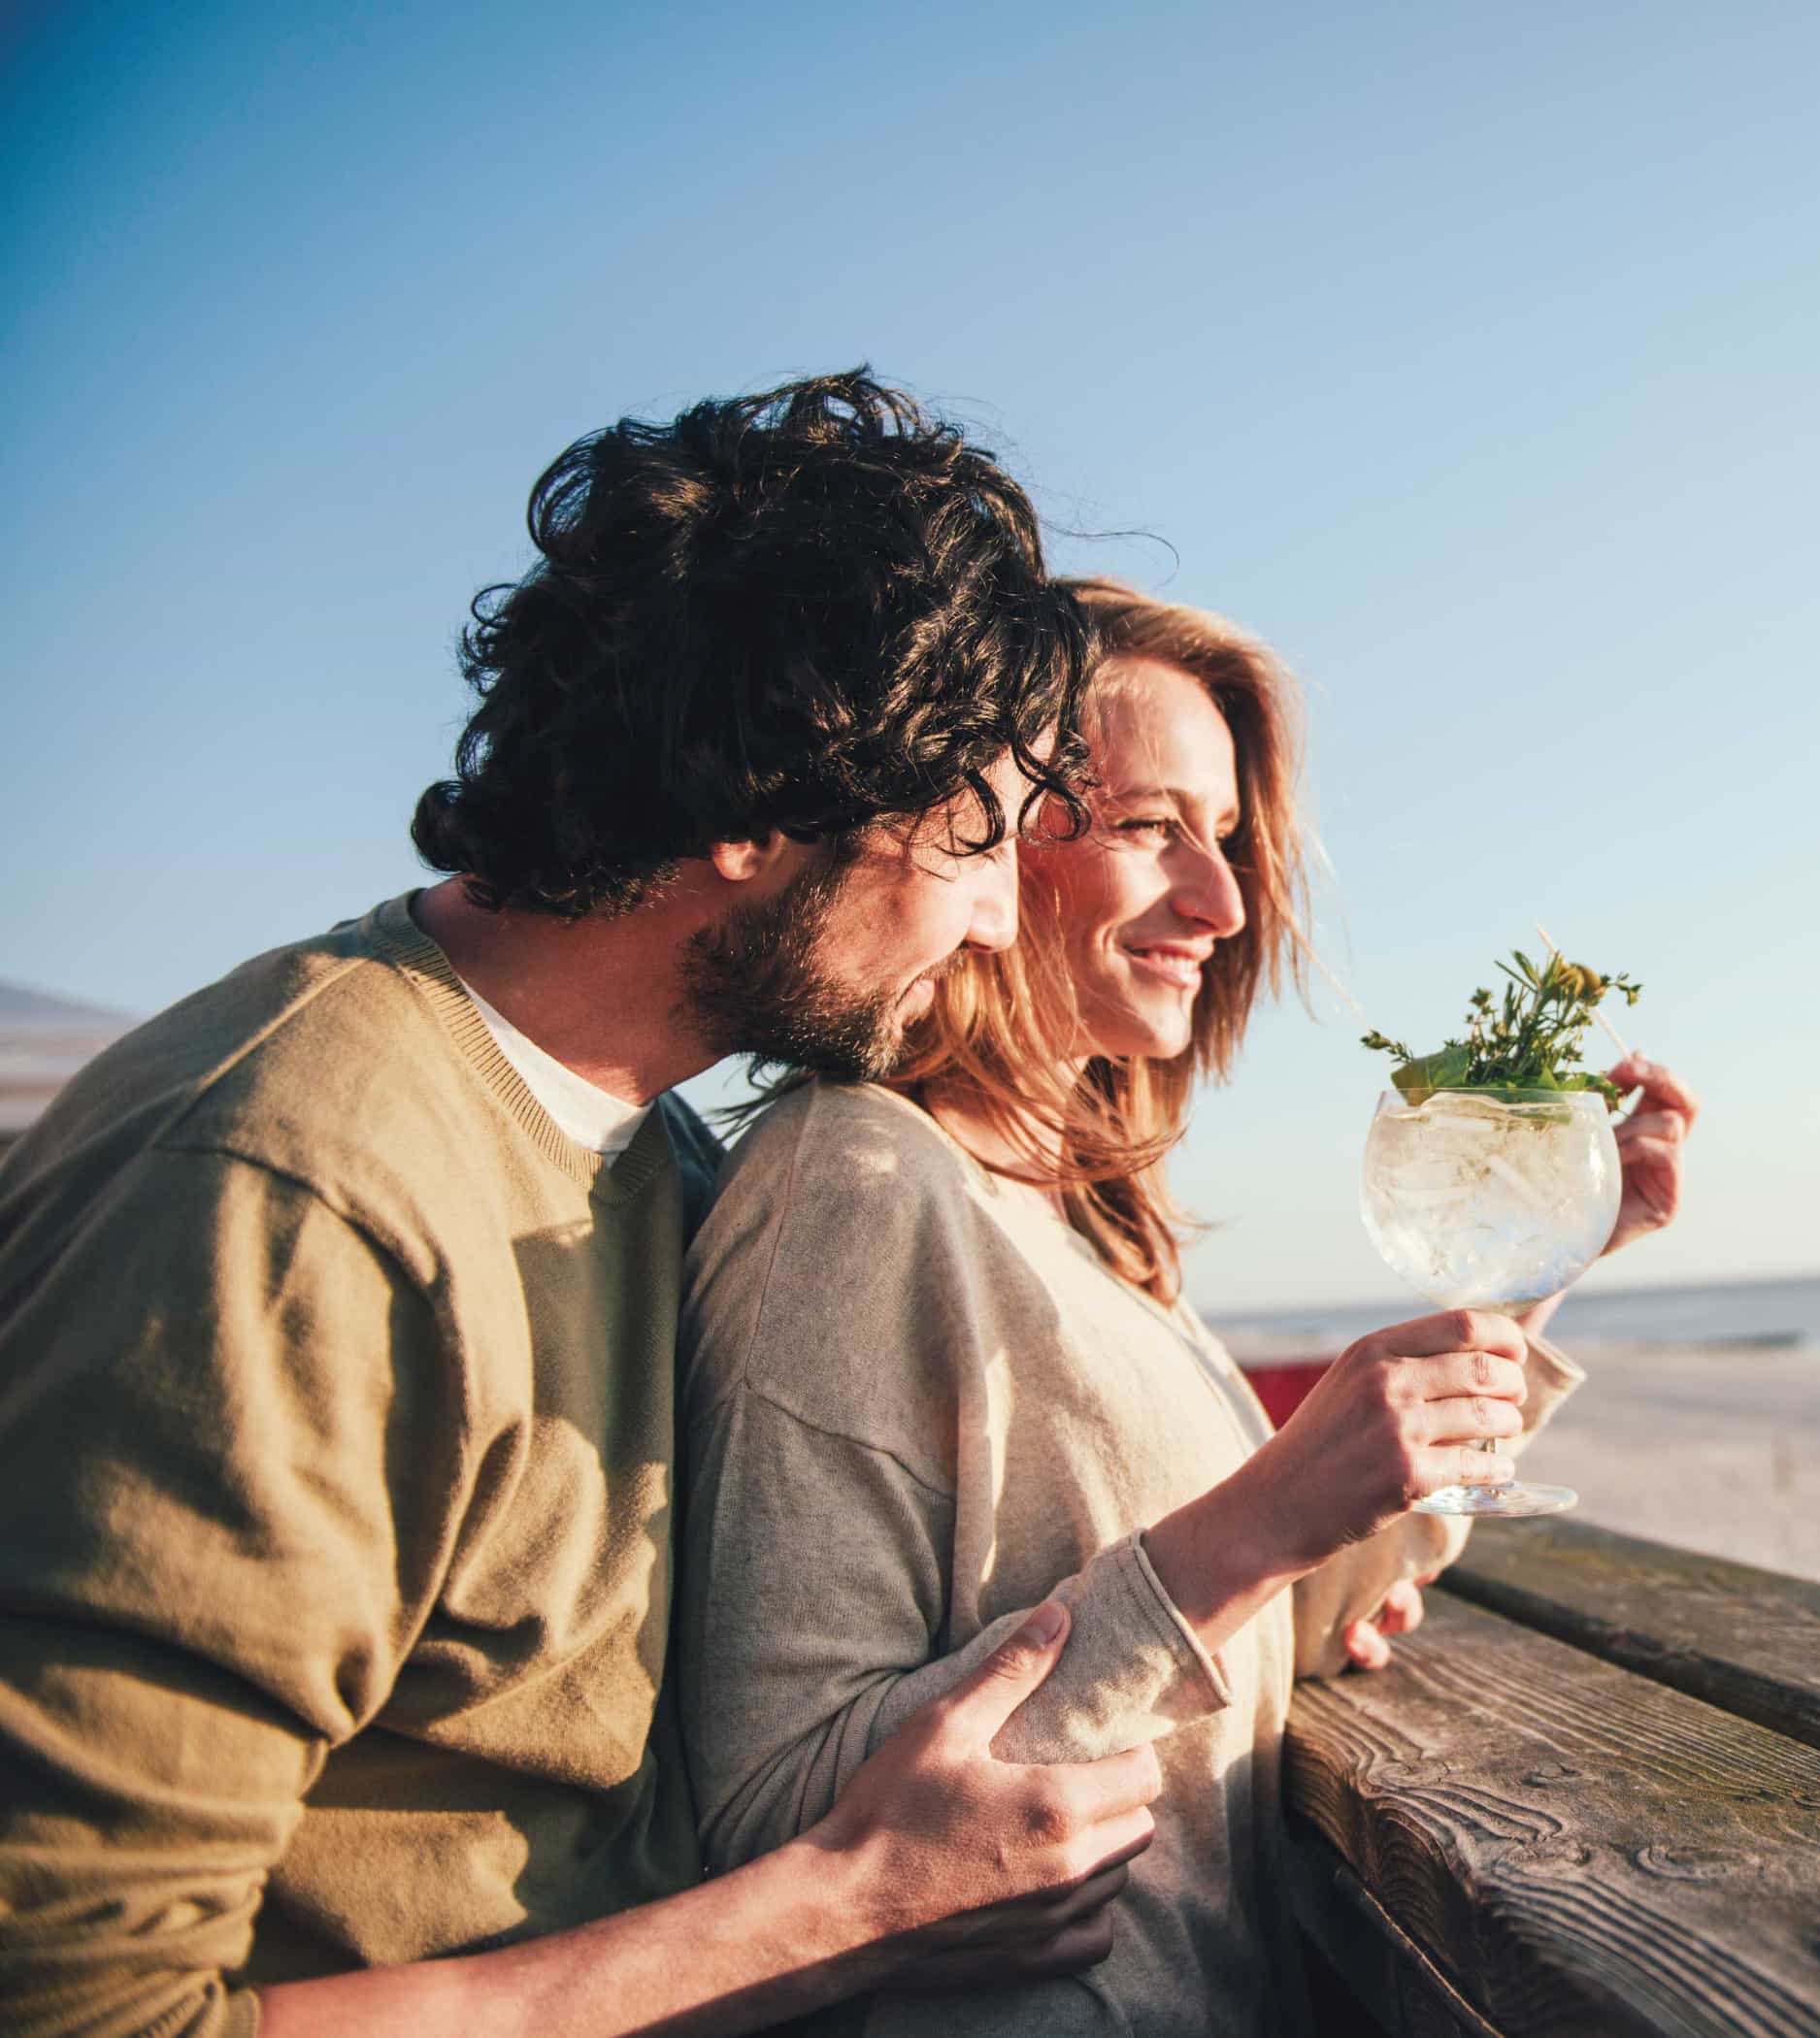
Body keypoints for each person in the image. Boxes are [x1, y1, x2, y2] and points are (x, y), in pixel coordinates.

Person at [0, 374, 1168, 2038]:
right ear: (765, 804)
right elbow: (82, 2013)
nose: (995, 923)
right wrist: (850, 1910)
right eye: (972, 841)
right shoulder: (287, 1201)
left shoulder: (654, 1155)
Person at [678, 577, 1700, 2033]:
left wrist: (1547, 1266)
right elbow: (777, 1818)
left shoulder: (1088, 1229)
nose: (1222, 903)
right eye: (1152, 825)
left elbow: (1272, 1620)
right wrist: (1261, 1519)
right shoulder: (847, 1183)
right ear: (979, 824)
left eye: (1223, 838)